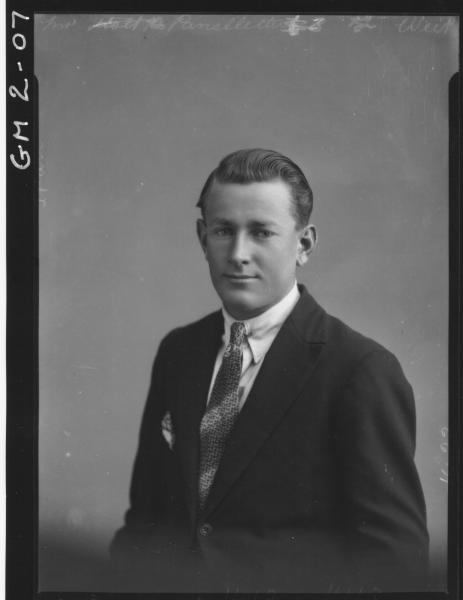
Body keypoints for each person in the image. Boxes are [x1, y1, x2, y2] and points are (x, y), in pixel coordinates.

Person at [110, 148, 429, 592]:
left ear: (304, 245)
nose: (238, 253)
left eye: (261, 232)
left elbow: (394, 563)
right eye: (223, 230)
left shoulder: (360, 370)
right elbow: (143, 524)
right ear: (203, 238)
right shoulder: (179, 351)